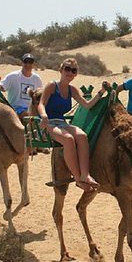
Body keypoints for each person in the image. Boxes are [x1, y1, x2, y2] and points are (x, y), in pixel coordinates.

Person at [36, 58, 106, 192]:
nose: (70, 73)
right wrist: (43, 115)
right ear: (61, 71)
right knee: (68, 139)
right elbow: (41, 104)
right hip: (49, 123)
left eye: (73, 70)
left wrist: (101, 92)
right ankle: (78, 178)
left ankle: (86, 175)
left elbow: (87, 105)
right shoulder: (52, 86)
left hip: (61, 122)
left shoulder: (72, 90)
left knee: (82, 136)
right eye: (67, 69)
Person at [0, 53, 43, 121]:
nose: (28, 64)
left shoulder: (37, 78)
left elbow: (39, 95)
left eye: (30, 62)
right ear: (22, 63)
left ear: (33, 64)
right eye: (26, 62)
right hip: (15, 108)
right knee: (27, 116)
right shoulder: (13, 76)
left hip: (32, 109)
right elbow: (2, 88)